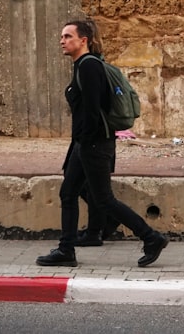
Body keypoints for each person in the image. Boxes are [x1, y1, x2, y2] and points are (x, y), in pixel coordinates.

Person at [37, 19, 168, 267]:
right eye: (62, 36)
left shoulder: (89, 67)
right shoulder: (81, 66)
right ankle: (66, 250)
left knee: (104, 199)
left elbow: (93, 110)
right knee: (68, 192)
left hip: (94, 144)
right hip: (85, 143)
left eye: (67, 36)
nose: (62, 41)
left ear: (83, 40)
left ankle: (151, 237)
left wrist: (85, 143)